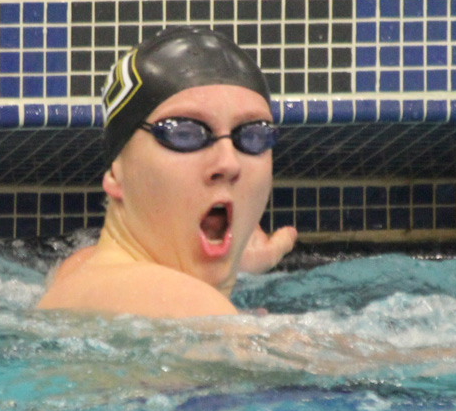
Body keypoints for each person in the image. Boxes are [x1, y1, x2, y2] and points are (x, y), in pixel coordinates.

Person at [36, 27, 298, 317]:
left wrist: (231, 263)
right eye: (185, 134)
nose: (228, 163)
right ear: (115, 173)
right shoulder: (192, 308)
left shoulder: (81, 269)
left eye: (253, 136)